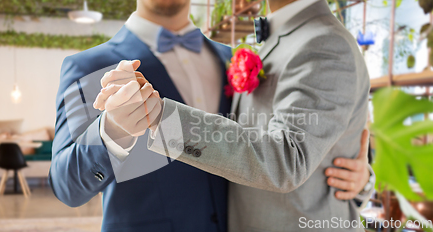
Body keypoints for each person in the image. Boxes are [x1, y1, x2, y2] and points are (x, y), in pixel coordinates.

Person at [50, 0, 374, 231]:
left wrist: (359, 176)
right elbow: (68, 186)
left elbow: (296, 141)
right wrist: (112, 131)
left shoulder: (231, 60)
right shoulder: (93, 67)